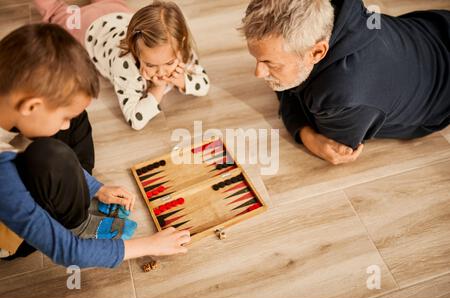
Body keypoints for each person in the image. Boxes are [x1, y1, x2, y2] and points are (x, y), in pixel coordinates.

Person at [0, 24, 190, 267]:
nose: (66, 126)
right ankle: (77, 220)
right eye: (62, 118)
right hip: (11, 236)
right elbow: (68, 251)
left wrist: (94, 188)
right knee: (49, 154)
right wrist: (150, 245)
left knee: (71, 117)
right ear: (30, 106)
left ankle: (75, 187)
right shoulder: (3, 176)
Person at [240, 0, 450, 165]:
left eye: (271, 64)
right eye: (257, 58)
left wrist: (307, 135)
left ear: (317, 51)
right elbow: (292, 89)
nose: (258, 73)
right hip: (438, 26)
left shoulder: (341, 97)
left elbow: (333, 143)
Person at [33, 0, 210, 130]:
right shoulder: (125, 66)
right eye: (150, 64)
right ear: (134, 50)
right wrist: (157, 88)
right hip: (88, 25)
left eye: (169, 63)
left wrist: (181, 80)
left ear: (182, 41)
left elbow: (204, 85)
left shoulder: (179, 49)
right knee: (56, 11)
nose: (162, 72)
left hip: (115, 8)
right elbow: (135, 120)